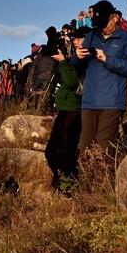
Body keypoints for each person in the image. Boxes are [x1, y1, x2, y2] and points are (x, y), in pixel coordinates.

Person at [73, 0, 127, 155]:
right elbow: (77, 67)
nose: (102, 27)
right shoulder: (91, 36)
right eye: (99, 24)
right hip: (89, 102)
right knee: (85, 149)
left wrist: (107, 60)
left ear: (115, 17)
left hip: (112, 102)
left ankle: (106, 178)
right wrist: (77, 57)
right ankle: (87, 179)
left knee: (104, 148)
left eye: (105, 22)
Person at [44, 27, 87, 190]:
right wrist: (58, 60)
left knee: (65, 151)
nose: (74, 41)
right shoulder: (75, 57)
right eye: (73, 39)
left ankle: (70, 185)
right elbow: (61, 76)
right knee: (51, 151)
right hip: (65, 108)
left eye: (77, 38)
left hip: (74, 109)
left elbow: (71, 81)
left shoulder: (84, 58)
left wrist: (62, 61)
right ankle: (61, 180)